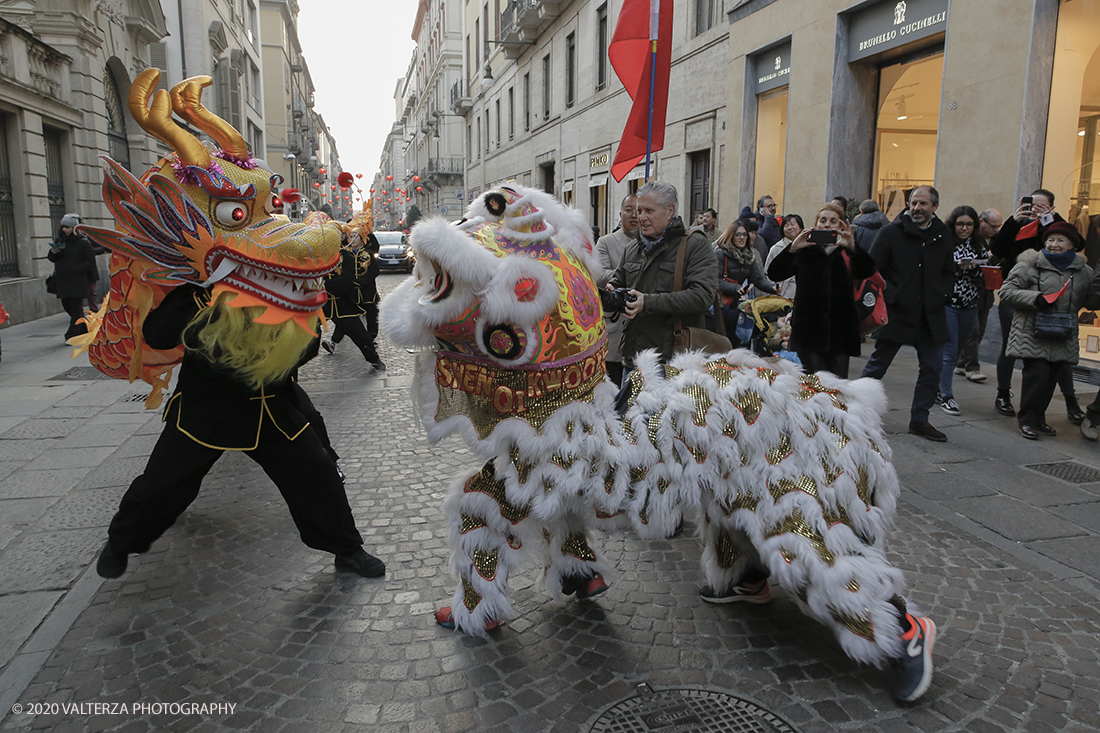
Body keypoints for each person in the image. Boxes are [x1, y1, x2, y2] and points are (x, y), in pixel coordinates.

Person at [95, 283, 386, 580]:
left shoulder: (286, 290)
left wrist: (289, 327)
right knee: (162, 485)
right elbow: (157, 335)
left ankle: (347, 550)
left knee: (317, 473)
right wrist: (200, 298)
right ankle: (121, 543)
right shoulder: (198, 292)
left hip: (269, 406)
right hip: (203, 409)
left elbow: (306, 349)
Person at [861, 186, 955, 442]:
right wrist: (892, 294)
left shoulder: (942, 234)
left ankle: (920, 419)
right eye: (913, 203)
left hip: (930, 313)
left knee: (932, 367)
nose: (917, 208)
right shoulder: (891, 232)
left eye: (923, 204)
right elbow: (872, 268)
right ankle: (857, 410)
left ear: (934, 206)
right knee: (878, 364)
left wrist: (942, 293)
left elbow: (949, 271)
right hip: (898, 311)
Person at [989, 190, 1083, 423]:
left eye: (1042, 207)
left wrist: (1051, 219)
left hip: (1052, 298)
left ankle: (1070, 400)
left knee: (1057, 351)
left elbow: (1072, 241)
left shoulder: (1053, 229)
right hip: (1019, 296)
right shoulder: (1017, 227)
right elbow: (999, 250)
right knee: (1009, 346)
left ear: (1051, 208)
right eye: (1031, 205)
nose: (1035, 210)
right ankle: (1002, 394)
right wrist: (1014, 221)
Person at [608, 181, 718, 369]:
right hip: (633, 356)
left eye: (649, 211)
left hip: (673, 361)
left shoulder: (694, 246)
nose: (641, 217)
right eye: (639, 210)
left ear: (669, 211)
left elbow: (702, 296)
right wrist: (610, 294)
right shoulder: (633, 248)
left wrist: (647, 302)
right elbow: (618, 282)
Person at [998, 223, 1093, 439]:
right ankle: (1028, 421)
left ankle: (1039, 419)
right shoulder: (1028, 265)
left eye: (1060, 240)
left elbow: (1088, 301)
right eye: (1051, 240)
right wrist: (1036, 298)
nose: (1054, 244)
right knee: (1037, 375)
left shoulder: (1083, 271)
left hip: (1062, 333)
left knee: (1051, 378)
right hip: (1032, 331)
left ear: (1072, 244)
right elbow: (1006, 292)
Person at [768, 202, 875, 378]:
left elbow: (868, 271)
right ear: (816, 223)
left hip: (840, 329)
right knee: (814, 383)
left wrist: (853, 248)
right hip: (809, 329)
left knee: (838, 385)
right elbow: (775, 273)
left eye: (833, 221)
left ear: (841, 225)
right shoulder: (805, 249)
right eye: (823, 220)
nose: (827, 224)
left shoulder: (846, 249)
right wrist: (793, 248)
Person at [935, 207, 986, 417]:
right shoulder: (944, 243)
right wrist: (957, 267)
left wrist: (976, 268)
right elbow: (935, 270)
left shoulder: (979, 245)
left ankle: (938, 386)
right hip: (948, 303)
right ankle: (946, 395)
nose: (964, 228)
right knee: (949, 350)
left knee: (956, 352)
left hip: (970, 303)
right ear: (953, 224)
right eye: (960, 224)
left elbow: (985, 268)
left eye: (969, 224)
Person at [322, 231, 386, 371]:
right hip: (319, 304)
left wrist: (324, 286)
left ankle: (374, 359)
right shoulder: (318, 257)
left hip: (343, 304)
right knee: (306, 338)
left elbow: (345, 282)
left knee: (361, 335)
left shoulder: (346, 257)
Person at [955, 208, 1003, 382]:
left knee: (980, 329)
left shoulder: (996, 240)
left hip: (987, 289)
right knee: (972, 329)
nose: (996, 229)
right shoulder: (970, 241)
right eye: (993, 226)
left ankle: (961, 363)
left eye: (999, 226)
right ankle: (972, 367)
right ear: (982, 222)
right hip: (968, 290)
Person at [596, 194, 639, 386]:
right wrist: (634, 273)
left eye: (639, 210)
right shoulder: (606, 242)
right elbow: (600, 274)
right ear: (620, 214)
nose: (634, 215)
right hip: (615, 325)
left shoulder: (651, 244)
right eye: (629, 210)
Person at [712, 219, 777, 341]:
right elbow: (715, 281)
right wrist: (737, 288)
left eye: (744, 234)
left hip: (737, 303)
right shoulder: (721, 254)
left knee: (739, 338)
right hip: (720, 304)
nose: (742, 238)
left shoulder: (749, 255)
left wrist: (772, 288)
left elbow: (758, 278)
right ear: (731, 236)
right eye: (738, 234)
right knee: (723, 338)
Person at [46, 214, 97, 340]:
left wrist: (77, 269)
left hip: (77, 280)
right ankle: (84, 328)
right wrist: (53, 252)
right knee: (67, 306)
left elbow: (90, 261)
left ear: (74, 228)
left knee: (75, 308)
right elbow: (52, 259)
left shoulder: (83, 242)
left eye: (68, 227)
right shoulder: (60, 241)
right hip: (63, 280)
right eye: (63, 227)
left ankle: (71, 335)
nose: (65, 230)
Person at [764, 213, 803, 301]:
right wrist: (775, 288)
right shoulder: (776, 248)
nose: (789, 228)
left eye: (792, 224)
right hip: (782, 295)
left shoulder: (807, 247)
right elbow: (767, 273)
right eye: (786, 225)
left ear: (800, 228)